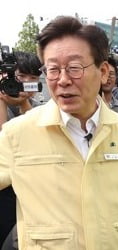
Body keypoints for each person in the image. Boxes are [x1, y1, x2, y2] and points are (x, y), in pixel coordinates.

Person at [0, 16, 118, 249]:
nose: (63, 80)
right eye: (52, 69)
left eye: (74, 68)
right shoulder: (17, 133)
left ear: (103, 72)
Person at [0, 51, 43, 249]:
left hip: (29, 189)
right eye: (21, 77)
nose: (26, 83)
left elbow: (35, 139)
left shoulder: (40, 108)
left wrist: (23, 102)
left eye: (33, 78)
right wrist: (2, 100)